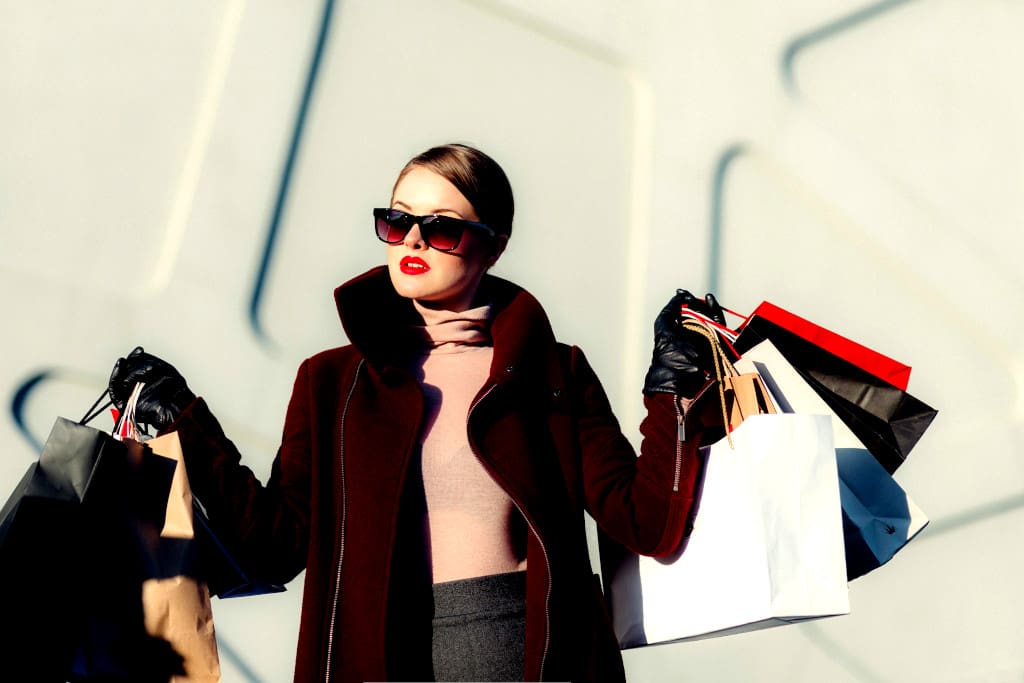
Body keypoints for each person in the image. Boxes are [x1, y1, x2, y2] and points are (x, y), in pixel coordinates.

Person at [107, 143, 726, 682]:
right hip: (374, 659)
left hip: (527, 657)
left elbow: (646, 522)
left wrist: (672, 390)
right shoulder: (332, 382)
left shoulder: (553, 371)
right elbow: (276, 546)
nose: (412, 241)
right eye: (396, 220)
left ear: (493, 245)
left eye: (443, 228)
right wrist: (184, 420)